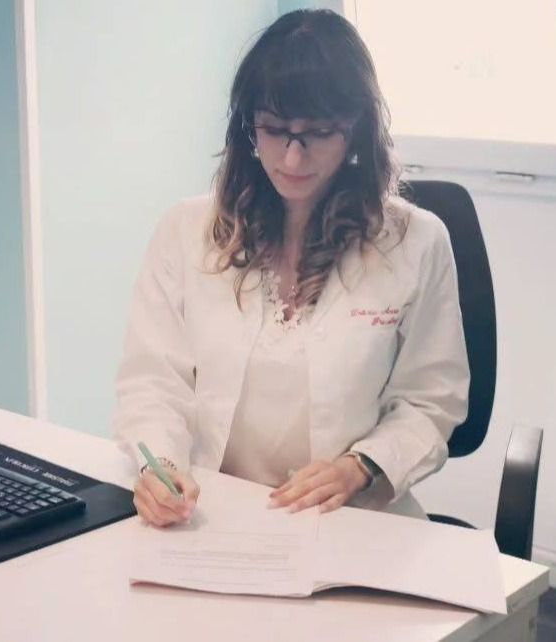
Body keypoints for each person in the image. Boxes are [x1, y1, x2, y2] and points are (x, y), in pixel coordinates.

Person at [113, 9, 469, 528]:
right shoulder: (186, 231)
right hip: (214, 516)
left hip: (351, 519)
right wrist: (160, 467)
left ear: (356, 131)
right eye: (276, 131)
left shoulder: (416, 242)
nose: (293, 159)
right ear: (248, 128)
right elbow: (152, 380)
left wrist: (360, 467)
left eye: (318, 133)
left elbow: (430, 401)